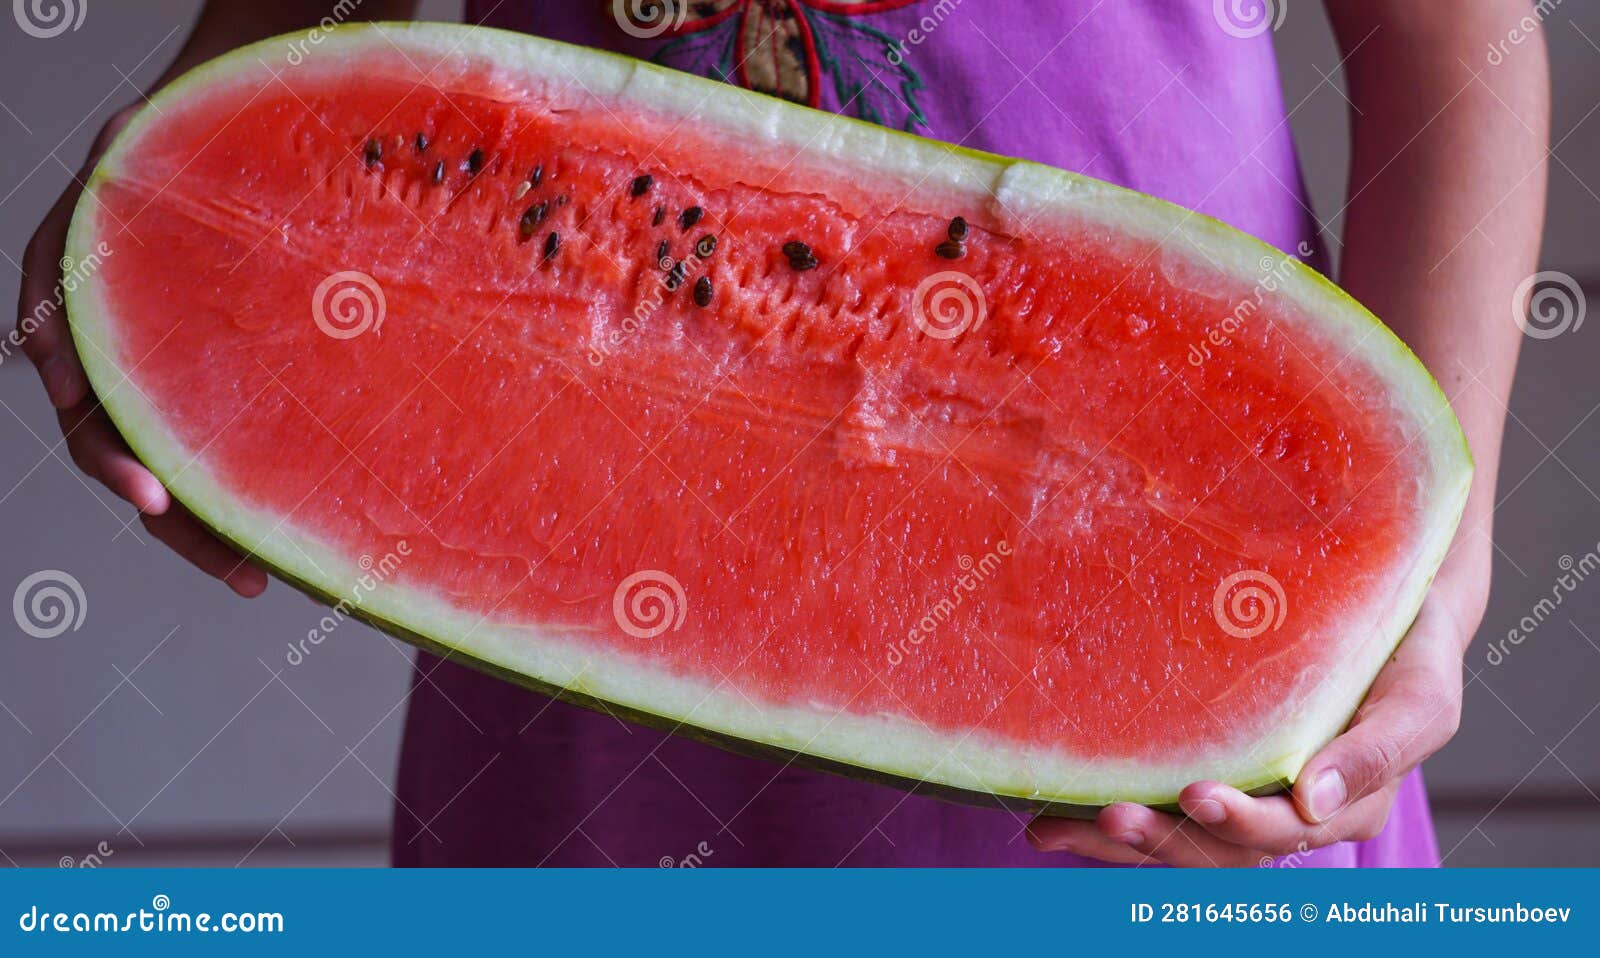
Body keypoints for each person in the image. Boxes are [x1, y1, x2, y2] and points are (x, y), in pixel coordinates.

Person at [17, 1, 1547, 866]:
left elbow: (1456, 41)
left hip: (1180, 595)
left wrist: (1439, 571)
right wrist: (185, 219)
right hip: (599, 647)